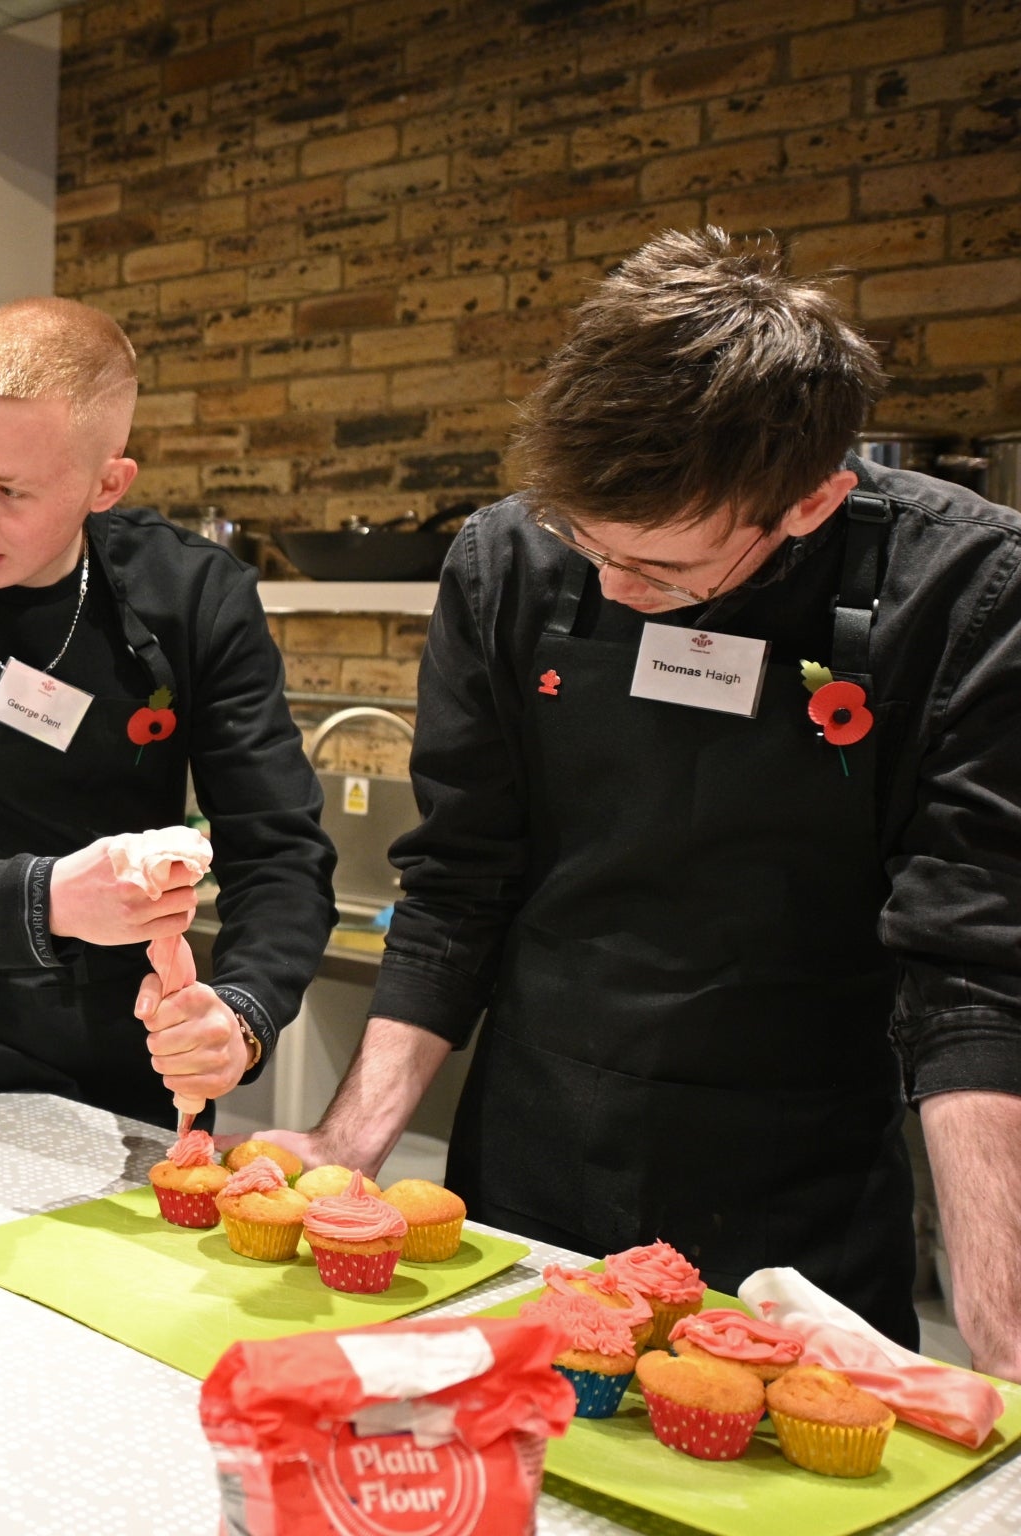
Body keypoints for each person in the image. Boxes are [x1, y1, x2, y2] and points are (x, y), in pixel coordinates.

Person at [251, 230, 1021, 1374]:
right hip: (530, 1150)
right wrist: (346, 1140)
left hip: (793, 1180)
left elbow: (968, 967)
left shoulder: (965, 591)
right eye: (584, 545)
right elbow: (460, 879)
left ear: (808, 501)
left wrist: (1001, 1335)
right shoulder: (505, 561)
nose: (612, 589)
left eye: (661, 573)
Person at [0, 296, 335, 1132]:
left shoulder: (195, 598)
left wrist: (241, 1012)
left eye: (11, 491)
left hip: (127, 1060)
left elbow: (279, 854)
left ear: (107, 484)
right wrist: (53, 895)